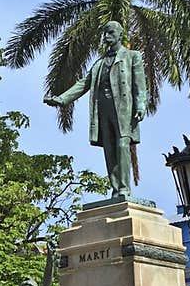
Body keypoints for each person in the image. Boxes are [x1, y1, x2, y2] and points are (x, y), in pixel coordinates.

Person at [44, 20, 146, 201]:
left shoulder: (132, 56)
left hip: (123, 110)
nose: (107, 37)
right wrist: (62, 99)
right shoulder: (99, 64)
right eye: (105, 33)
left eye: (110, 33)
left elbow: (139, 84)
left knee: (122, 146)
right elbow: (83, 84)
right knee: (109, 150)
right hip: (104, 110)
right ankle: (116, 190)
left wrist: (140, 104)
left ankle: (124, 189)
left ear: (119, 34)